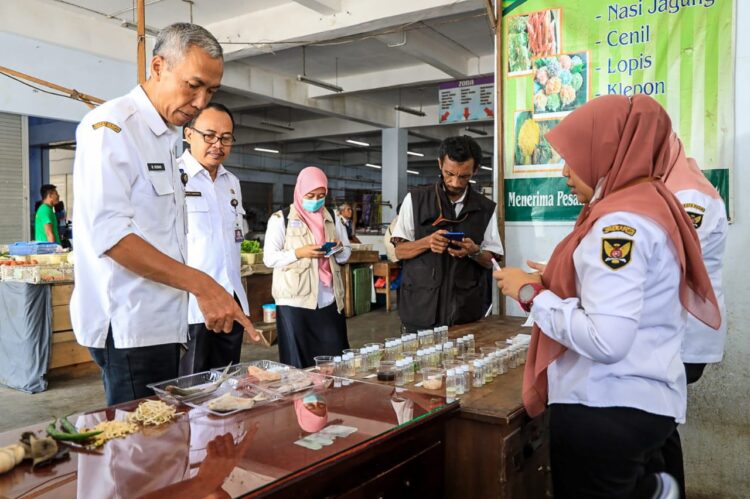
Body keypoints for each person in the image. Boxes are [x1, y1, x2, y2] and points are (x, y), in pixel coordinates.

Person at [493, 95, 720, 499]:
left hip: (605, 405)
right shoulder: (653, 205)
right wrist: (558, 277)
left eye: (573, 158)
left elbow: (607, 340)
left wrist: (531, 294)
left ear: (605, 154)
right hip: (644, 402)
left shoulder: (618, 224)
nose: (565, 172)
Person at [71, 23, 258, 406]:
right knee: (142, 437)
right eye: (193, 85)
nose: (201, 102)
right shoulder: (113, 127)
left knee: (168, 432)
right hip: (130, 326)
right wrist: (202, 285)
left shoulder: (163, 139)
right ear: (158, 67)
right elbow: (111, 236)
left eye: (211, 91)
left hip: (164, 323)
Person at [658, 133, 729, 497]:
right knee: (660, 424)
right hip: (677, 330)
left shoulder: (688, 196)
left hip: (686, 335)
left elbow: (673, 260)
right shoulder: (675, 186)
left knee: (657, 424)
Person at [390, 135, 503, 330]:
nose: (455, 182)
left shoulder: (485, 208)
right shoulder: (415, 200)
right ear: (440, 164)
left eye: (464, 176)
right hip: (420, 309)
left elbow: (491, 261)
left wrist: (474, 251)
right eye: (449, 173)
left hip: (465, 312)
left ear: (475, 170)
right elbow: (399, 251)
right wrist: (427, 242)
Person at [178, 102, 250, 375]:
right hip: (193, 308)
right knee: (190, 386)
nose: (217, 145)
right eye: (209, 136)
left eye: (226, 138)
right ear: (188, 134)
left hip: (230, 301)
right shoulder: (174, 177)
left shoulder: (232, 182)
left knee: (226, 385)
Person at [263, 166, 351, 368]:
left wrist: (337, 249)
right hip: (295, 301)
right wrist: (299, 253)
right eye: (310, 196)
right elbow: (270, 258)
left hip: (328, 298)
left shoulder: (333, 217)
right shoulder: (281, 219)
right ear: (299, 191)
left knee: (334, 361)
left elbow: (346, 255)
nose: (315, 200)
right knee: (299, 365)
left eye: (321, 196)